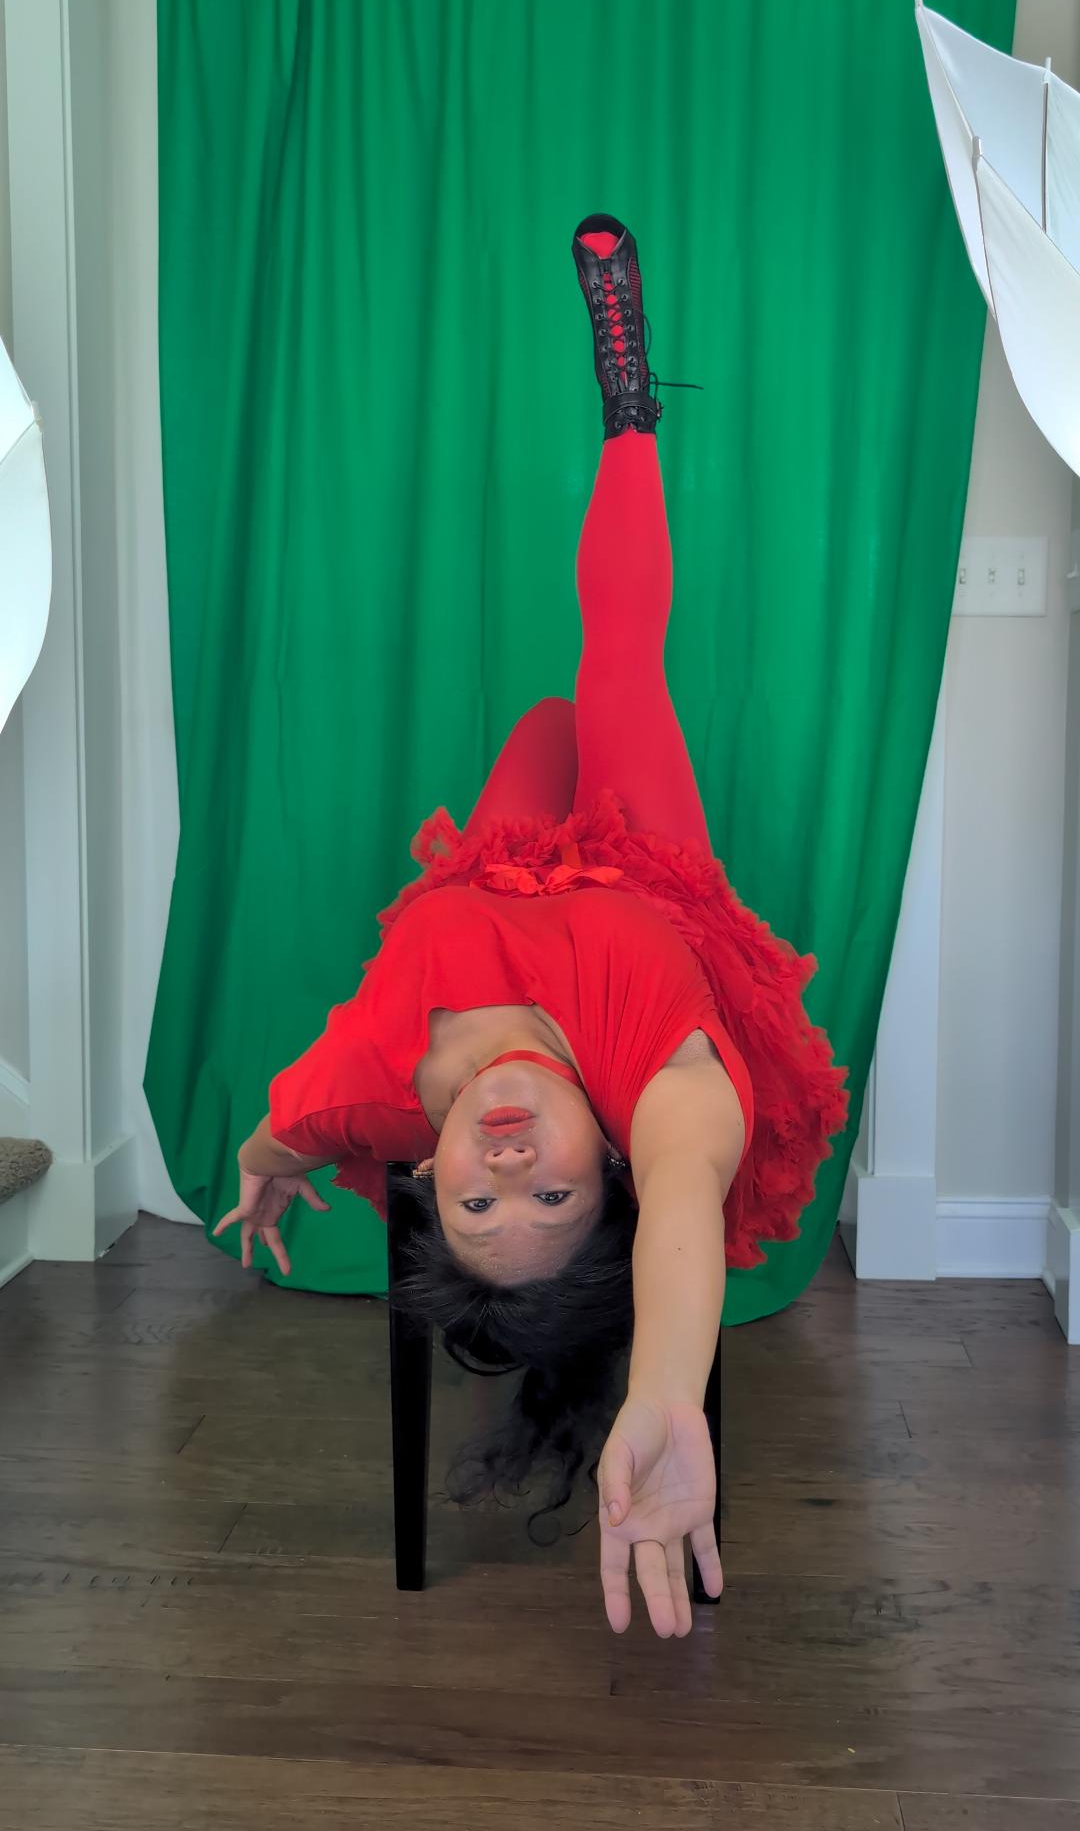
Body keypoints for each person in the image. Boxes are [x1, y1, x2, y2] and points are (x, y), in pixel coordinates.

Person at [215, 214, 849, 1638]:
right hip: (642, 876)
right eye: (553, 1196)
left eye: (475, 1200)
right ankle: (632, 412)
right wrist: (666, 1396)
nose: (505, 1164)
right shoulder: (668, 1101)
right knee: (607, 680)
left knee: (534, 731)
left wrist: (262, 1160)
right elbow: (684, 1228)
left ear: (421, 1169)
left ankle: (556, 725)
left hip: (487, 889)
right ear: (614, 1162)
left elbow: (284, 1128)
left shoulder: (366, 1095)